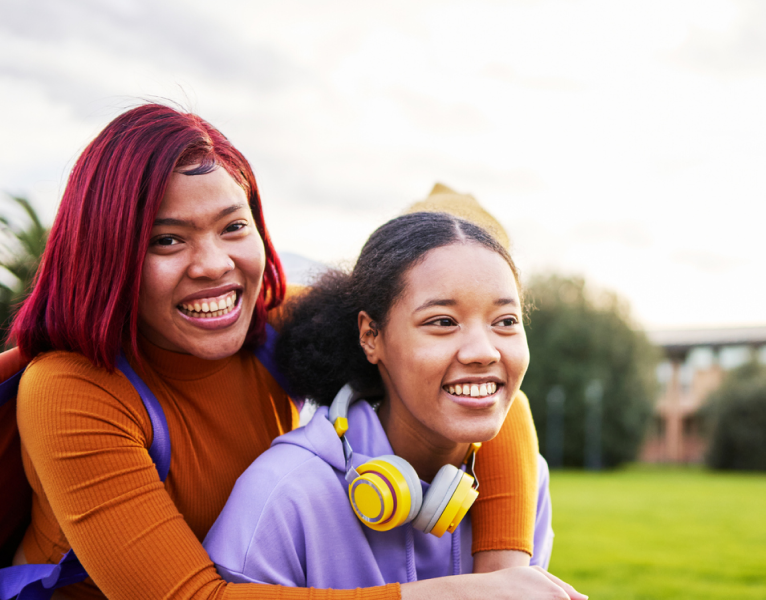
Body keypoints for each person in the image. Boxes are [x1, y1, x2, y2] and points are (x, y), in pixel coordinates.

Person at [7, 103, 583, 600]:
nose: (213, 265)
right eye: (168, 239)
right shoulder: (69, 389)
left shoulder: (278, 322)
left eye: (233, 227)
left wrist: (503, 570)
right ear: (107, 252)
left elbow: (478, 380)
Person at [204, 211, 557, 587]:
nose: (483, 352)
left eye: (505, 321)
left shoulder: (528, 481)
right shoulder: (283, 495)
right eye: (442, 321)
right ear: (371, 336)